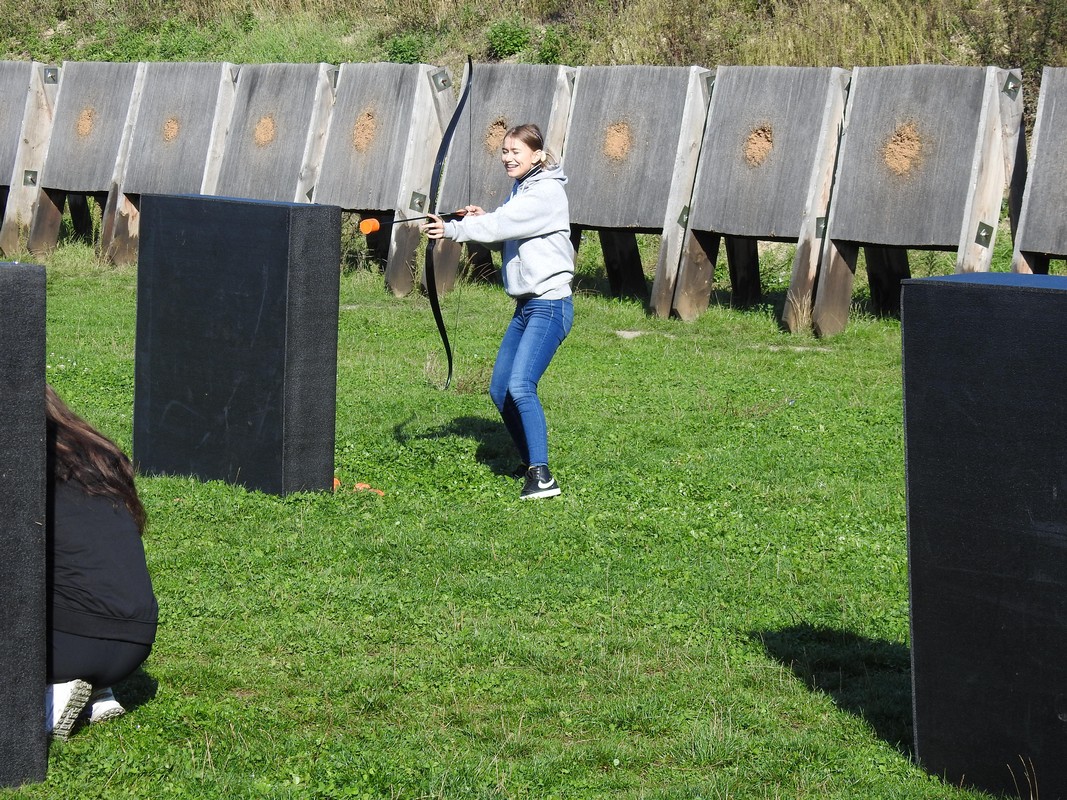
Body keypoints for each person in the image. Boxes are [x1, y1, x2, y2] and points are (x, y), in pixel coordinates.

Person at [423, 123, 574, 500]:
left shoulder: (545, 192)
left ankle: (542, 477)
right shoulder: (524, 188)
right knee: (500, 388)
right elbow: (506, 228)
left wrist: (454, 229)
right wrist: (478, 218)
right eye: (504, 151)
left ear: (537, 155)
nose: (507, 157)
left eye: (515, 152)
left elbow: (504, 224)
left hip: (549, 306)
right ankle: (529, 461)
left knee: (521, 385)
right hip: (526, 307)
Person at [45, 384, 158, 740]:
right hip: (135, 641)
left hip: (70, 644)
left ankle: (48, 700)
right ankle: (96, 690)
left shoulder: (23, 461)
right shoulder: (94, 450)